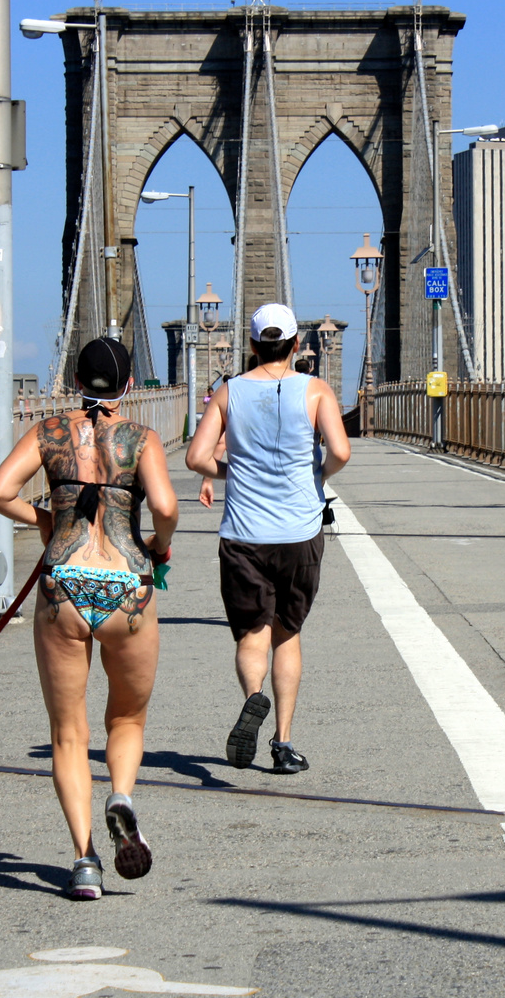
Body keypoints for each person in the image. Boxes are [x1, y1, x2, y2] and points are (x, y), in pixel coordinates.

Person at [0, 337, 179, 900]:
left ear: (75, 380)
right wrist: (156, 547)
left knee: (69, 733)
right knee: (127, 719)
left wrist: (45, 519)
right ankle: (121, 795)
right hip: (127, 589)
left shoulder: (49, 432)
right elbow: (165, 507)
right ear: (129, 386)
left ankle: (85, 861)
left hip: (62, 585)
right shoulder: (140, 438)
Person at [186, 304, 351, 774]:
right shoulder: (316, 389)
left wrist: (229, 470)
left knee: (252, 633)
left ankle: (253, 698)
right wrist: (318, 473)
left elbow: (197, 458)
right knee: (288, 633)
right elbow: (340, 450)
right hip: (300, 532)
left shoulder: (228, 392)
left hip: (244, 534)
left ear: (253, 345)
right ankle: (282, 745)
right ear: (297, 345)